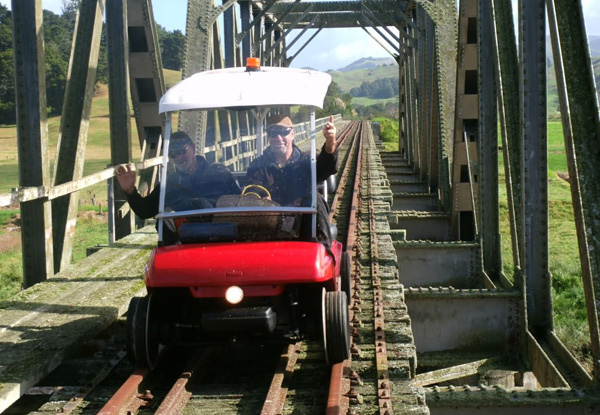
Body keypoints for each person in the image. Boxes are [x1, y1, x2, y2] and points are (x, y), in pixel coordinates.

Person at [115, 131, 240, 243]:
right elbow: (145, 211)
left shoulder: (219, 173)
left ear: (193, 148)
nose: (179, 157)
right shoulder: (169, 183)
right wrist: (130, 190)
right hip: (183, 244)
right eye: (173, 154)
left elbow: (240, 204)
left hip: (222, 239)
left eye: (182, 151)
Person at [245, 114, 338, 245]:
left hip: (303, 229)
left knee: (314, 197)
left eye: (284, 132)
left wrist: (330, 142)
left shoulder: (306, 161)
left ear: (292, 134)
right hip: (268, 228)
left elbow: (326, 168)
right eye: (273, 133)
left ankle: (322, 249)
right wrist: (262, 199)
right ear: (268, 137)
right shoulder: (258, 165)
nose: (278, 138)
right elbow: (252, 188)